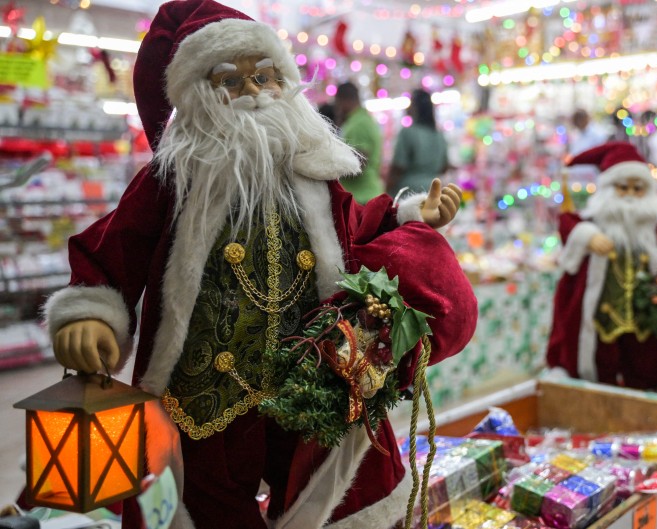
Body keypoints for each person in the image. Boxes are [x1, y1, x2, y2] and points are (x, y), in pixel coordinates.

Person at [41, 2, 477, 528]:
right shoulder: (175, 179)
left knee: (328, 488)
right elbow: (116, 245)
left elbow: (352, 226)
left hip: (306, 377)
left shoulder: (312, 171)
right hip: (201, 396)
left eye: (265, 77)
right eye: (230, 80)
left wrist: (407, 213)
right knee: (204, 506)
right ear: (198, 94)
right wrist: (91, 312)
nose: (253, 92)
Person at [545, 142, 657, 391]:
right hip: (601, 325)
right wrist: (586, 236)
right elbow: (569, 224)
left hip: (645, 329)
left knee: (645, 377)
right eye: (622, 188)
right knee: (598, 378)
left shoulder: (655, 232)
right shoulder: (593, 224)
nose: (630, 194)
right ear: (608, 189)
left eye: (638, 188)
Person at [387, 89, 449, 198]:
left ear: (417, 107)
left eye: (411, 103)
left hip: (408, 193)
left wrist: (387, 188)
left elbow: (398, 167)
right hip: (433, 191)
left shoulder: (407, 132)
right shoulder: (439, 135)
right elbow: (444, 167)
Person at [335, 81, 384, 203]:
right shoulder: (360, 120)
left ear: (342, 100)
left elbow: (358, 162)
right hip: (363, 195)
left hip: (362, 197)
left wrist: (329, 168)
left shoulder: (359, 124)